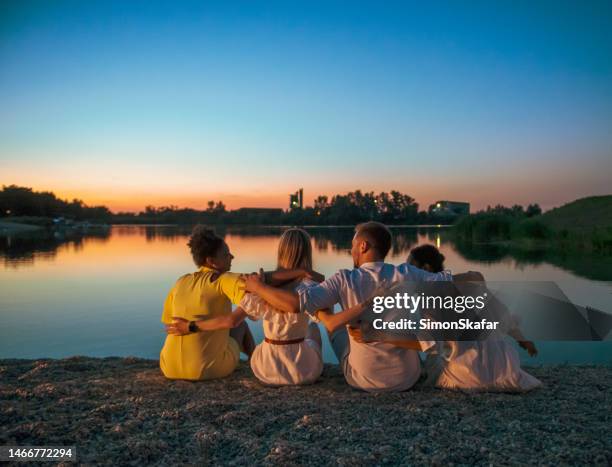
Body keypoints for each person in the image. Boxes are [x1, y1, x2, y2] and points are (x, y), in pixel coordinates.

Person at [244, 221, 452, 393]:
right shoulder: (407, 273)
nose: (350, 250)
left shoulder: (343, 279)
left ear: (362, 246)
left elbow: (296, 303)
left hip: (362, 379)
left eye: (352, 245)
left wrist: (259, 284)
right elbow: (451, 282)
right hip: (407, 378)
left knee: (334, 326)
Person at [161, 225, 318, 381]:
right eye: (226, 254)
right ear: (212, 261)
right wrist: (302, 271)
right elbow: (257, 281)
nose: (232, 257)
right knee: (241, 324)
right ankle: (250, 359)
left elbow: (170, 324)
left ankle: (257, 361)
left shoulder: (180, 281)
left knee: (238, 321)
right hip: (208, 368)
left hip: (167, 366)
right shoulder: (224, 280)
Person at [407, 244, 542, 392]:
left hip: (466, 373)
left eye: (410, 268)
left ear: (426, 268)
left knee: (425, 356)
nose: (405, 275)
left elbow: (431, 342)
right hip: (501, 368)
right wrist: (521, 339)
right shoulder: (470, 283)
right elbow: (501, 313)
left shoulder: (429, 296)